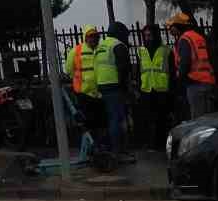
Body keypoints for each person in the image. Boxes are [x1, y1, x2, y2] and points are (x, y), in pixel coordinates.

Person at [95, 21, 135, 164]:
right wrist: (126, 89)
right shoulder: (118, 46)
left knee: (107, 120)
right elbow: (124, 69)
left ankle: (109, 150)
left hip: (101, 86)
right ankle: (117, 152)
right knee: (116, 120)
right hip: (115, 87)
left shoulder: (100, 46)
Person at [69, 27, 104, 167]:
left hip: (98, 93)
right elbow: (69, 69)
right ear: (85, 37)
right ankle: (90, 150)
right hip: (83, 93)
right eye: (91, 36)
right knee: (87, 123)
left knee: (98, 123)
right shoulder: (76, 51)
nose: (94, 38)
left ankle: (96, 149)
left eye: (96, 36)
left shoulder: (100, 50)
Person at [169, 12, 216, 120]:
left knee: (198, 121)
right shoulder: (198, 37)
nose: (170, 29)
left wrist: (179, 81)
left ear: (178, 26)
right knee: (210, 119)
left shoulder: (184, 40)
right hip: (208, 82)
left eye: (172, 26)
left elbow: (185, 63)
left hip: (194, 84)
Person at [136, 25, 172, 151]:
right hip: (146, 89)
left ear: (156, 35)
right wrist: (138, 88)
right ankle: (151, 143)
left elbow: (171, 71)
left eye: (150, 35)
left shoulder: (166, 50)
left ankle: (162, 144)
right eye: (145, 35)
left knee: (162, 119)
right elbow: (138, 71)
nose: (148, 38)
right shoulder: (141, 51)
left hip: (162, 89)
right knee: (148, 119)